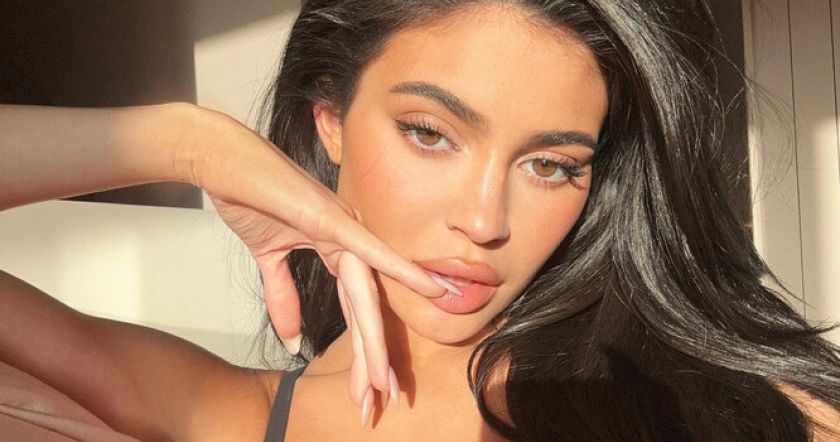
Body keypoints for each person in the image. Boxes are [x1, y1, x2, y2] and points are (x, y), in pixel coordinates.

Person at [1, 0, 840, 440]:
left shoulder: (717, 401)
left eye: (550, 165)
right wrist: (184, 141)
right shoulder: (230, 414)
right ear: (329, 121)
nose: (484, 221)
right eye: (430, 133)